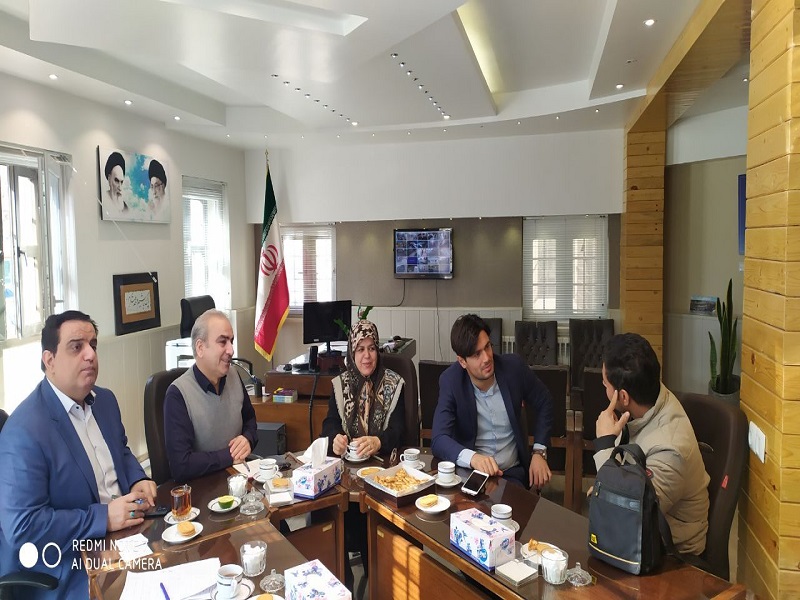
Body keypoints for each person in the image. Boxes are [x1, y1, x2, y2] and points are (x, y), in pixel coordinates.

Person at [0, 311, 156, 599]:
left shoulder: (105, 401)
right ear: (49, 360)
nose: (90, 355)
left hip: (127, 538)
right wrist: (103, 518)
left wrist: (137, 478)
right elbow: (23, 527)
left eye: (93, 345)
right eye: (76, 347)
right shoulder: (23, 431)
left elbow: (121, 450)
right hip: (68, 567)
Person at [594, 333, 709, 555]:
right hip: (642, 531)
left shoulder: (670, 450)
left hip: (673, 554)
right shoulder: (648, 399)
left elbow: (624, 513)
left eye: (605, 384)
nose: (603, 388)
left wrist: (605, 445)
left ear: (623, 397)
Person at [320, 319, 406, 590]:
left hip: (383, 475)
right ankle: (342, 582)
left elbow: (399, 430)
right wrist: (335, 438)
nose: (367, 356)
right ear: (351, 352)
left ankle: (379, 583)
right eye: (360, 349)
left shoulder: (393, 383)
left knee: (374, 524)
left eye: (371, 348)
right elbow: (329, 423)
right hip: (348, 477)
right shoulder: (340, 385)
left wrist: (379, 441)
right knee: (329, 514)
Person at [431, 314, 553, 489]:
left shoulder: (513, 368)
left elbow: (545, 401)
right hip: (470, 474)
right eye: (477, 354)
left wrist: (539, 451)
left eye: (487, 347)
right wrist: (473, 458)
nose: (487, 358)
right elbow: (439, 439)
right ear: (462, 361)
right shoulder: (451, 381)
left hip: (512, 474)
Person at [164, 309, 258, 482]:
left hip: (239, 478)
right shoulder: (178, 394)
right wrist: (229, 456)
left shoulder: (234, 375)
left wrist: (247, 439)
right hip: (203, 488)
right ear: (200, 348)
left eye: (231, 341)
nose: (231, 350)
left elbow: (250, 420)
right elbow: (181, 465)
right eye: (223, 342)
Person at [103, 151, 127, 216]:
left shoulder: (126, 208)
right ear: (109, 179)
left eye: (121, 182)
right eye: (116, 181)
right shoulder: (103, 202)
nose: (120, 187)